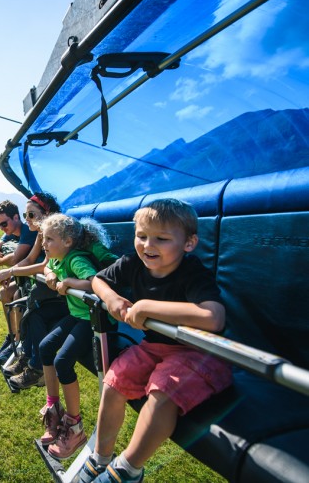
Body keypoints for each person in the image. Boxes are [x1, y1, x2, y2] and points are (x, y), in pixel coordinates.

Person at [78, 198, 233, 483]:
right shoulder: (132, 263)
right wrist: (111, 297)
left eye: (161, 239)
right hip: (154, 347)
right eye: (141, 236)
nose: (148, 245)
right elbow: (99, 280)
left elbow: (214, 317)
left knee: (164, 390)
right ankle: (101, 456)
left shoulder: (192, 272)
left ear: (189, 243)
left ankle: (128, 469)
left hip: (199, 351)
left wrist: (147, 306)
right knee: (114, 381)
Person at [36, 214, 108, 460]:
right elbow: (47, 265)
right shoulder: (59, 258)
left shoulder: (76, 260)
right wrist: (49, 274)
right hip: (76, 316)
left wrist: (68, 281)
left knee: (62, 362)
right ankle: (54, 408)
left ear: (67, 241)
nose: (44, 243)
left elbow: (95, 282)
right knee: (45, 347)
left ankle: (75, 427)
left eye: (49, 239)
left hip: (91, 320)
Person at [0, 193, 65, 387]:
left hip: (62, 294)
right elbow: (31, 259)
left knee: (32, 307)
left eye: (31, 215)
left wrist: (11, 270)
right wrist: (10, 271)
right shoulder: (42, 233)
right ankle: (28, 357)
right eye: (26, 216)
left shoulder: (55, 232)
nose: (27, 220)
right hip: (50, 291)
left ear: (47, 213)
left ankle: (35, 365)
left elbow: (44, 264)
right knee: (31, 312)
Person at [0, 200, 38, 363]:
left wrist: (0, 262)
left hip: (31, 277)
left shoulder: (28, 230)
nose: (2, 228)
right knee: (4, 293)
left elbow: (16, 258)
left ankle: (19, 341)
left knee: (16, 297)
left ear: (16, 217)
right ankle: (12, 336)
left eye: (4, 223)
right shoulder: (9, 231)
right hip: (22, 276)